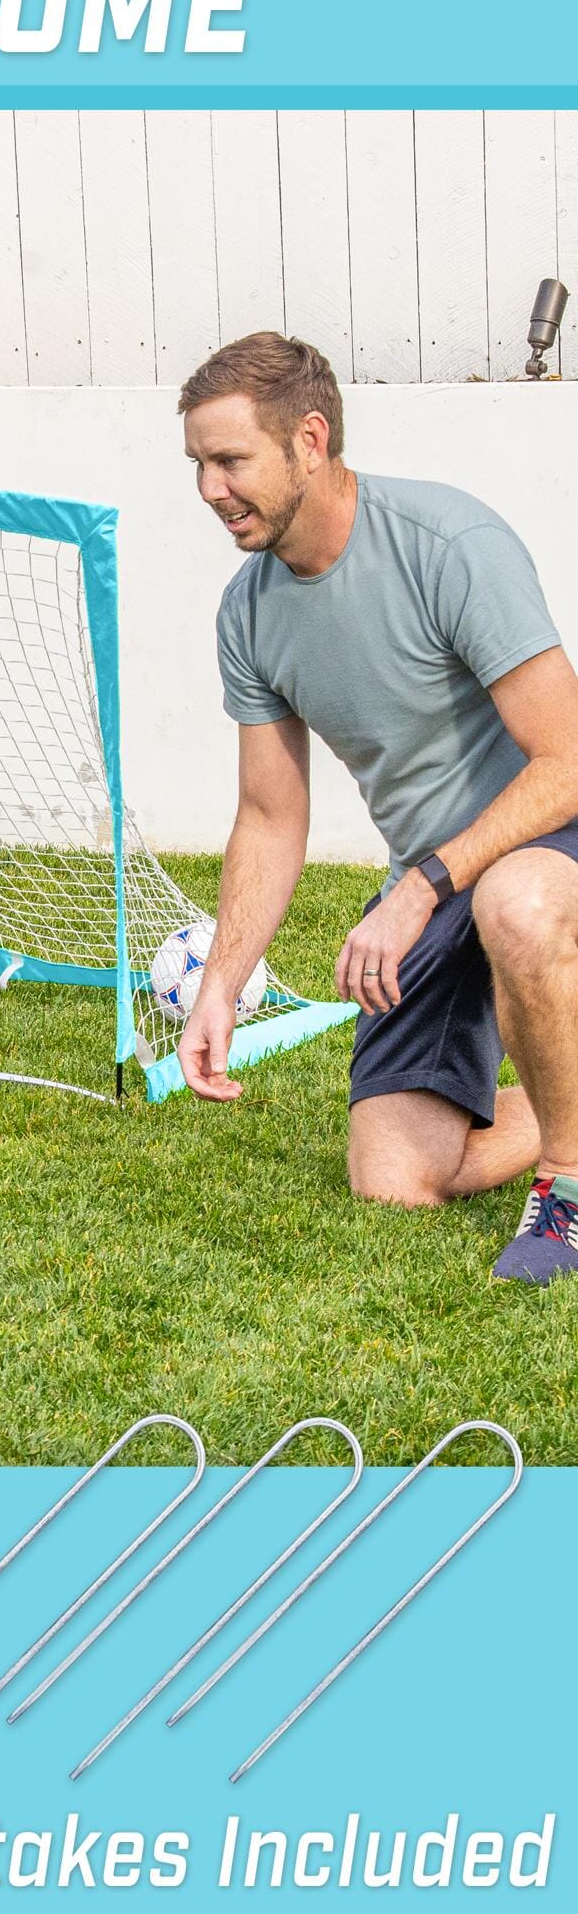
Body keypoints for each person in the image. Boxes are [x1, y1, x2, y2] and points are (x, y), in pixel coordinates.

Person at [175, 332, 578, 1283]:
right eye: (198, 465)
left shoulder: (448, 545)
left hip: (545, 839)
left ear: (309, 441)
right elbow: (271, 818)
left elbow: (566, 760)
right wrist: (222, 984)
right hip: (435, 887)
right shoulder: (249, 614)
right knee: (396, 1178)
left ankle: (566, 1192)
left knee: (513, 904)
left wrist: (425, 884)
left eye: (230, 461)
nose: (209, 492)